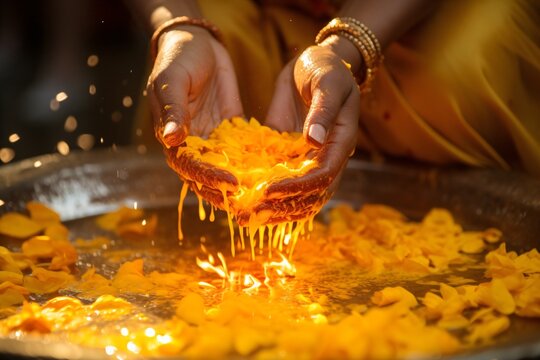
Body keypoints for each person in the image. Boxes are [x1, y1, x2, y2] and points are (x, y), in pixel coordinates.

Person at [128, 0, 540, 200]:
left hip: (418, 14)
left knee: (458, 70)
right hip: (261, 10)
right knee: (216, 43)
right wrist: (177, 26)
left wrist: (349, 45)